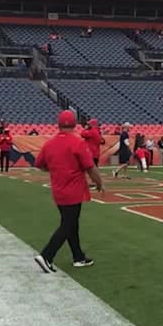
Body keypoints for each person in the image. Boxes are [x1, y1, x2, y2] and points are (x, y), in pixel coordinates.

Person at [34, 110, 104, 273]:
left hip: (58, 189)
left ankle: (78, 256)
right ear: (74, 124)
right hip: (74, 190)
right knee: (68, 224)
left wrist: (54, 169)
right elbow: (90, 167)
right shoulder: (77, 142)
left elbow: (39, 163)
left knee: (71, 223)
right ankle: (46, 255)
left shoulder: (49, 143)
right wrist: (99, 183)